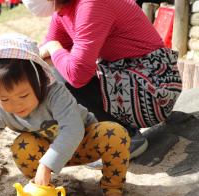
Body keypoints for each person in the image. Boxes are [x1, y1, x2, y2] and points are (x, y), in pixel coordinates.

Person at [0, 33, 132, 196]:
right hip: (43, 153)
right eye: (4, 99)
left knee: (114, 133)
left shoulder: (56, 94)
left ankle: (113, 189)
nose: (15, 104)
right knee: (22, 145)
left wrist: (46, 165)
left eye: (23, 95)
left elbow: (73, 130)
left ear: (40, 81)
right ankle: (43, 188)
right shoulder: (0, 110)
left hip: (84, 144)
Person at [22, 0, 182, 159]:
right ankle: (109, 132)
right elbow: (47, 53)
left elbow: (77, 74)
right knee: (53, 70)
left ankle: (126, 137)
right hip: (132, 79)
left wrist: (53, 48)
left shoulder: (92, 4)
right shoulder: (63, 10)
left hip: (155, 89)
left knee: (64, 77)